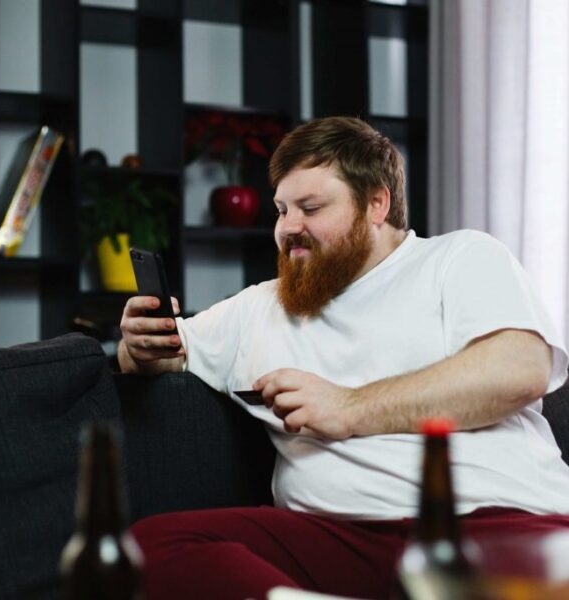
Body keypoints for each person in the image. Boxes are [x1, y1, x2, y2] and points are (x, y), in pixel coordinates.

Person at [118, 116, 569, 600]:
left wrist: (350, 407)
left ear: (377, 203)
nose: (288, 228)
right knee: (149, 547)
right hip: (337, 539)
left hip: (492, 524)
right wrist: (138, 344)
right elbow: (158, 354)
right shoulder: (259, 306)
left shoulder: (459, 258)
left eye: (310, 208)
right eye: (282, 209)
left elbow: (521, 370)